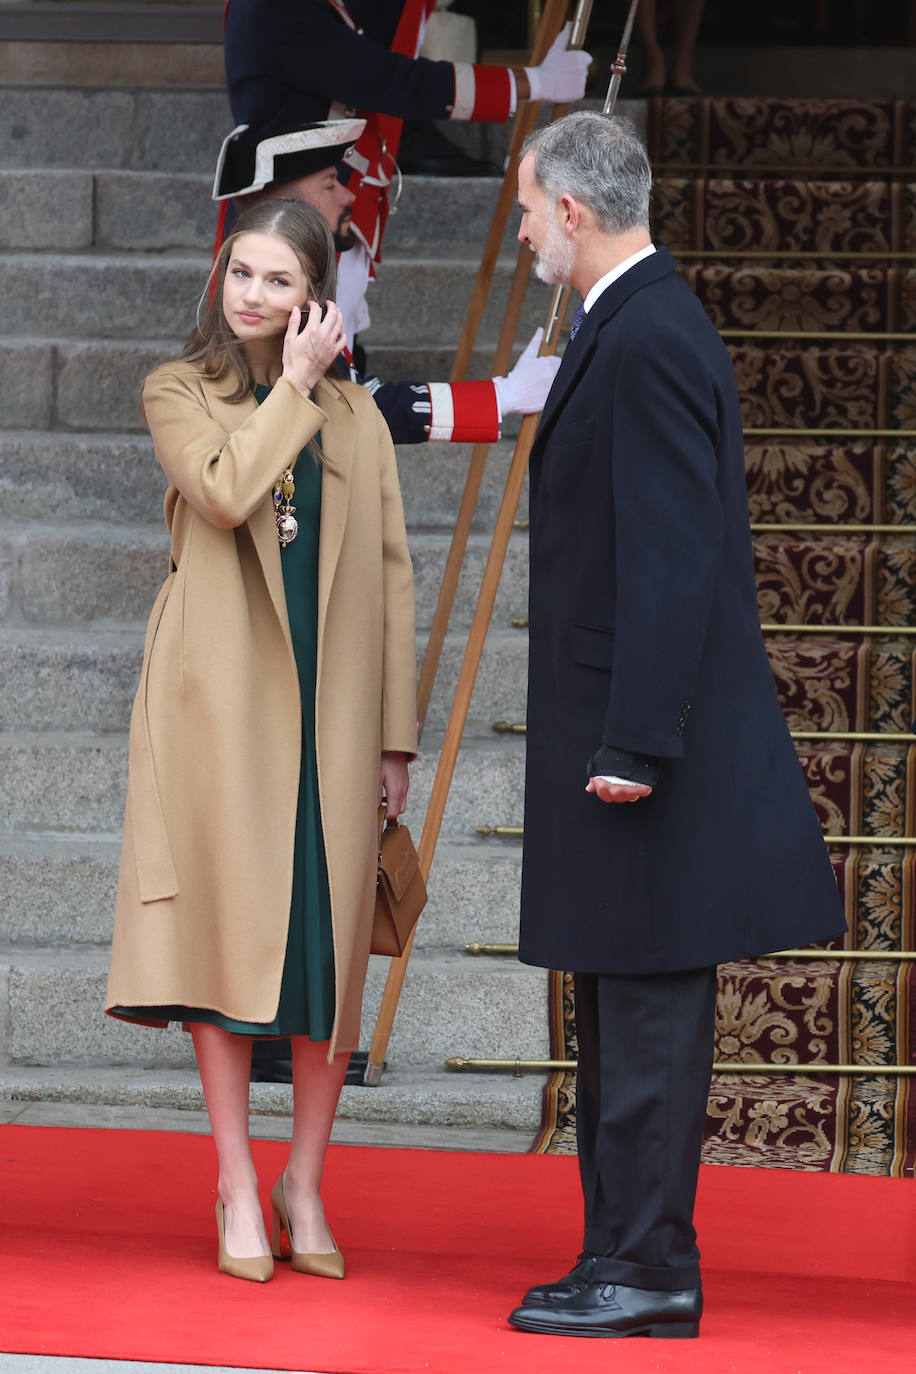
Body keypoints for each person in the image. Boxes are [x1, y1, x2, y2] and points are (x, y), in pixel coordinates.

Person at [509, 112, 845, 1339]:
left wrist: (634, 744)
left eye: (533, 208)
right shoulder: (635, 322)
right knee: (619, 1008)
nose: (529, 227)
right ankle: (618, 1251)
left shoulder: (646, 335)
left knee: (644, 1016)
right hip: (631, 736)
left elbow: (670, 558)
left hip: (644, 749)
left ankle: (647, 1267)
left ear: (576, 214)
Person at [105, 199, 417, 1283]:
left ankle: (307, 1180)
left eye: (279, 280)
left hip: (333, 713)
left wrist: (395, 740)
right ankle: (238, 1180)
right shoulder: (177, 389)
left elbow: (388, 580)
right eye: (241, 271)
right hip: (216, 710)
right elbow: (230, 491)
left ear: (316, 299)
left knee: (325, 957)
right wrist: (289, 387)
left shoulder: (358, 419)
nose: (251, 294)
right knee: (226, 942)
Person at [224, 1, 591, 338]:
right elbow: (384, 78)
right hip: (296, 207)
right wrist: (531, 83)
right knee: (286, 365)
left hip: (320, 204)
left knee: (332, 361)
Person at [213, 118, 562, 444]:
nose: (348, 196)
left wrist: (500, 396)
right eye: (330, 184)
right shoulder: (267, 314)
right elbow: (352, 408)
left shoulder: (296, 304)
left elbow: (352, 396)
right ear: (285, 207)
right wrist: (501, 396)